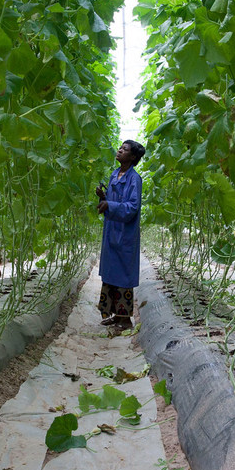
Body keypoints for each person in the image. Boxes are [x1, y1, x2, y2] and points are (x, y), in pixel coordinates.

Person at [96, 140, 145, 332]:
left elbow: (132, 208)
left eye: (124, 150)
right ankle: (114, 315)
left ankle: (125, 320)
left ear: (132, 157)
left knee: (123, 275)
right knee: (111, 273)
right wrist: (102, 197)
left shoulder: (135, 179)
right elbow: (110, 202)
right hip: (112, 231)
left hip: (125, 234)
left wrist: (110, 205)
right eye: (120, 148)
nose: (120, 151)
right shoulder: (114, 175)